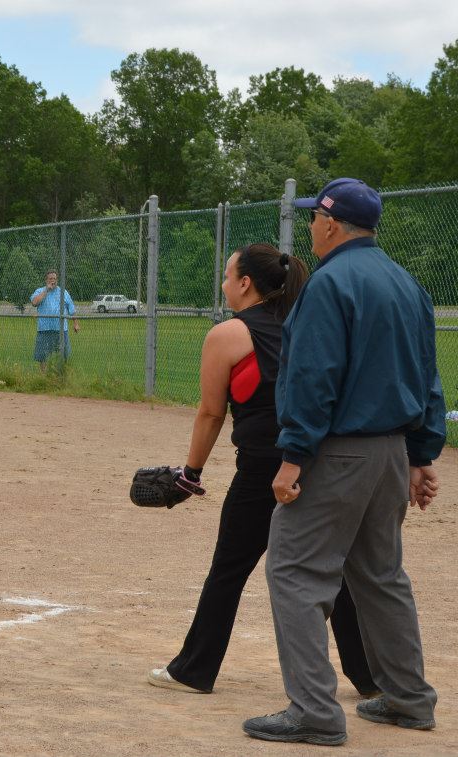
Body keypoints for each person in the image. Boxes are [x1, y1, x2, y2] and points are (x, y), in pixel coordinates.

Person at [243, 178, 444, 746]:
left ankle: (314, 712)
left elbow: (313, 378)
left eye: (314, 218)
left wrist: (293, 456)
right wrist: (422, 453)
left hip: (339, 451)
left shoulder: (330, 283)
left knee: (296, 569)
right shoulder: (407, 283)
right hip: (390, 454)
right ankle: (409, 699)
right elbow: (428, 377)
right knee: (381, 575)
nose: (310, 227)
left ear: (331, 224)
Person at [147, 244, 376, 698]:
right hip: (317, 461)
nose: (225, 283)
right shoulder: (311, 324)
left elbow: (211, 414)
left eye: (228, 275)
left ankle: (194, 670)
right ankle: (370, 677)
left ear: (247, 283)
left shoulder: (229, 334)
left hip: (262, 470)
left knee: (229, 569)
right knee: (335, 569)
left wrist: (191, 473)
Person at [30, 270, 79, 370]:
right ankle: (43, 378)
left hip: (60, 330)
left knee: (64, 355)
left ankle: (61, 376)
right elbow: (34, 302)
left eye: (54, 278)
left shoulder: (63, 292)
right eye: (50, 279)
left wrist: (76, 324)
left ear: (57, 280)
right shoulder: (40, 291)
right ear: (46, 280)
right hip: (44, 329)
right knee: (42, 357)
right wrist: (46, 291)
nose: (53, 281)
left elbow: (72, 309)